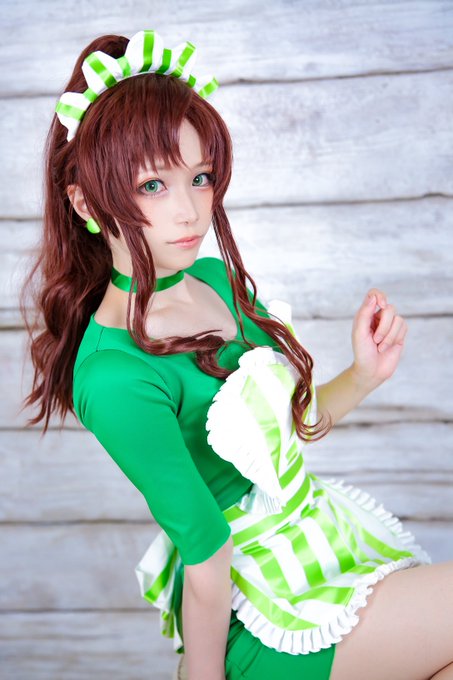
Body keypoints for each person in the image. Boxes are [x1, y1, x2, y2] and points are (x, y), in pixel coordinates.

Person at [19, 29, 453, 680]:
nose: (190, 210)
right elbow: (207, 551)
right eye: (152, 186)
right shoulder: (114, 374)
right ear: (85, 201)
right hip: (267, 613)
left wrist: (363, 375)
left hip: (323, 554)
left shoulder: (217, 280)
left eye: (199, 178)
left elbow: (284, 435)